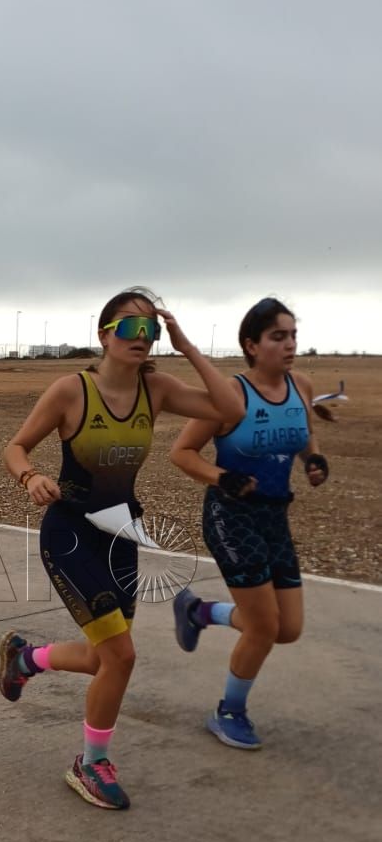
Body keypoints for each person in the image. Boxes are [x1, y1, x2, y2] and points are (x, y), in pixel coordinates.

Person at [0, 286, 246, 810]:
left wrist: (185, 344)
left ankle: (27, 658)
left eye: (151, 329)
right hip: (69, 533)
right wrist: (30, 476)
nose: (144, 338)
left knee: (100, 658)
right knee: (122, 656)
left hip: (122, 534)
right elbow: (15, 446)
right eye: (133, 328)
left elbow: (230, 408)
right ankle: (90, 765)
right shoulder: (71, 390)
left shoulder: (156, 390)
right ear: (104, 334)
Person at [169, 296, 328, 749]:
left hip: (275, 516)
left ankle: (201, 612)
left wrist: (313, 458)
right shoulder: (231, 396)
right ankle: (229, 712)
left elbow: (302, 431)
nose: (290, 344)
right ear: (252, 345)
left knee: (288, 629)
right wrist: (224, 477)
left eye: (293, 335)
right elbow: (181, 454)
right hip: (230, 517)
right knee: (263, 628)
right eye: (278, 336)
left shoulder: (303, 384)